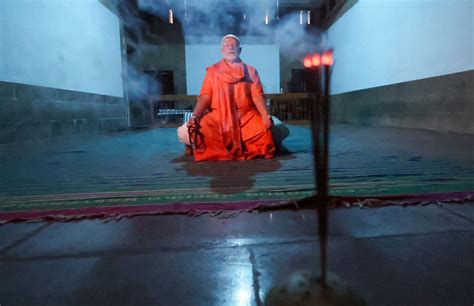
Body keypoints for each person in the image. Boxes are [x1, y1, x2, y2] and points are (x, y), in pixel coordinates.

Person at [177, 34, 288, 161]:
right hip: (219, 116)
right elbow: (205, 96)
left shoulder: (251, 71)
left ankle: (273, 143)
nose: (231, 48)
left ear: (240, 50)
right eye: (227, 45)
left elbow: (257, 96)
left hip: (246, 116)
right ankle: (192, 145)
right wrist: (195, 115)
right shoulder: (212, 71)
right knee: (191, 130)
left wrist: (265, 116)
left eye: (234, 45)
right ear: (222, 51)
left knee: (266, 131)